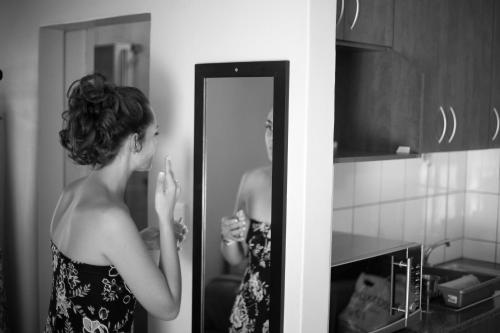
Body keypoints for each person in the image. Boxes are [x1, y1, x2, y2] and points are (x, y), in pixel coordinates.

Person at [45, 73, 186, 332]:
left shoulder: (70, 193)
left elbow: (89, 267)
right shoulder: (112, 218)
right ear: (135, 141)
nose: (157, 143)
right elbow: (169, 307)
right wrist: (165, 220)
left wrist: (141, 240)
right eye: (154, 134)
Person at [220, 109, 273, 333]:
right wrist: (228, 237)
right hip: (249, 310)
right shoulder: (251, 181)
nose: (272, 137)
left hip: (293, 310)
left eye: (281, 129)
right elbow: (235, 258)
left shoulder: (314, 190)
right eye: (268, 127)